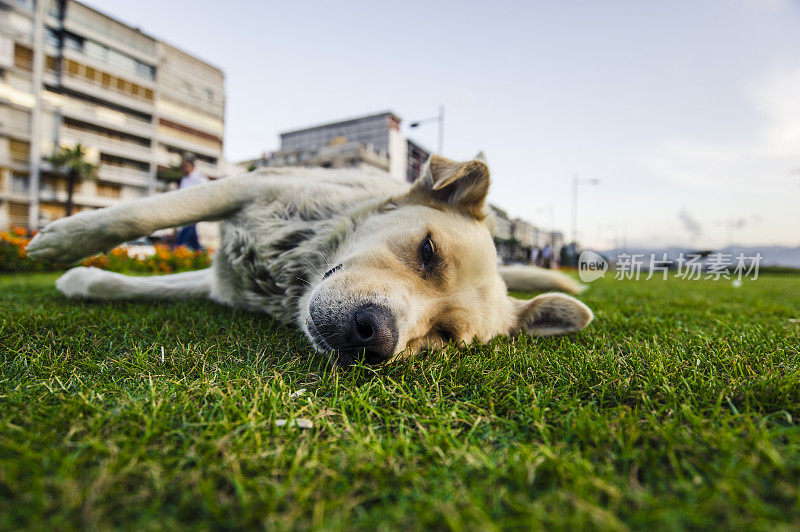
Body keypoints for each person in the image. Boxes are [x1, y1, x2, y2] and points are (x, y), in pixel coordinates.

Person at [175, 154, 208, 250]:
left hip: (195, 210)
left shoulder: (200, 178)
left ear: (191, 165)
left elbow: (205, 194)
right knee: (193, 237)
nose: (183, 168)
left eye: (184, 166)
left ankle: (176, 250)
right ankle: (200, 254)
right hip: (185, 210)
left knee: (185, 233)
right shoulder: (184, 179)